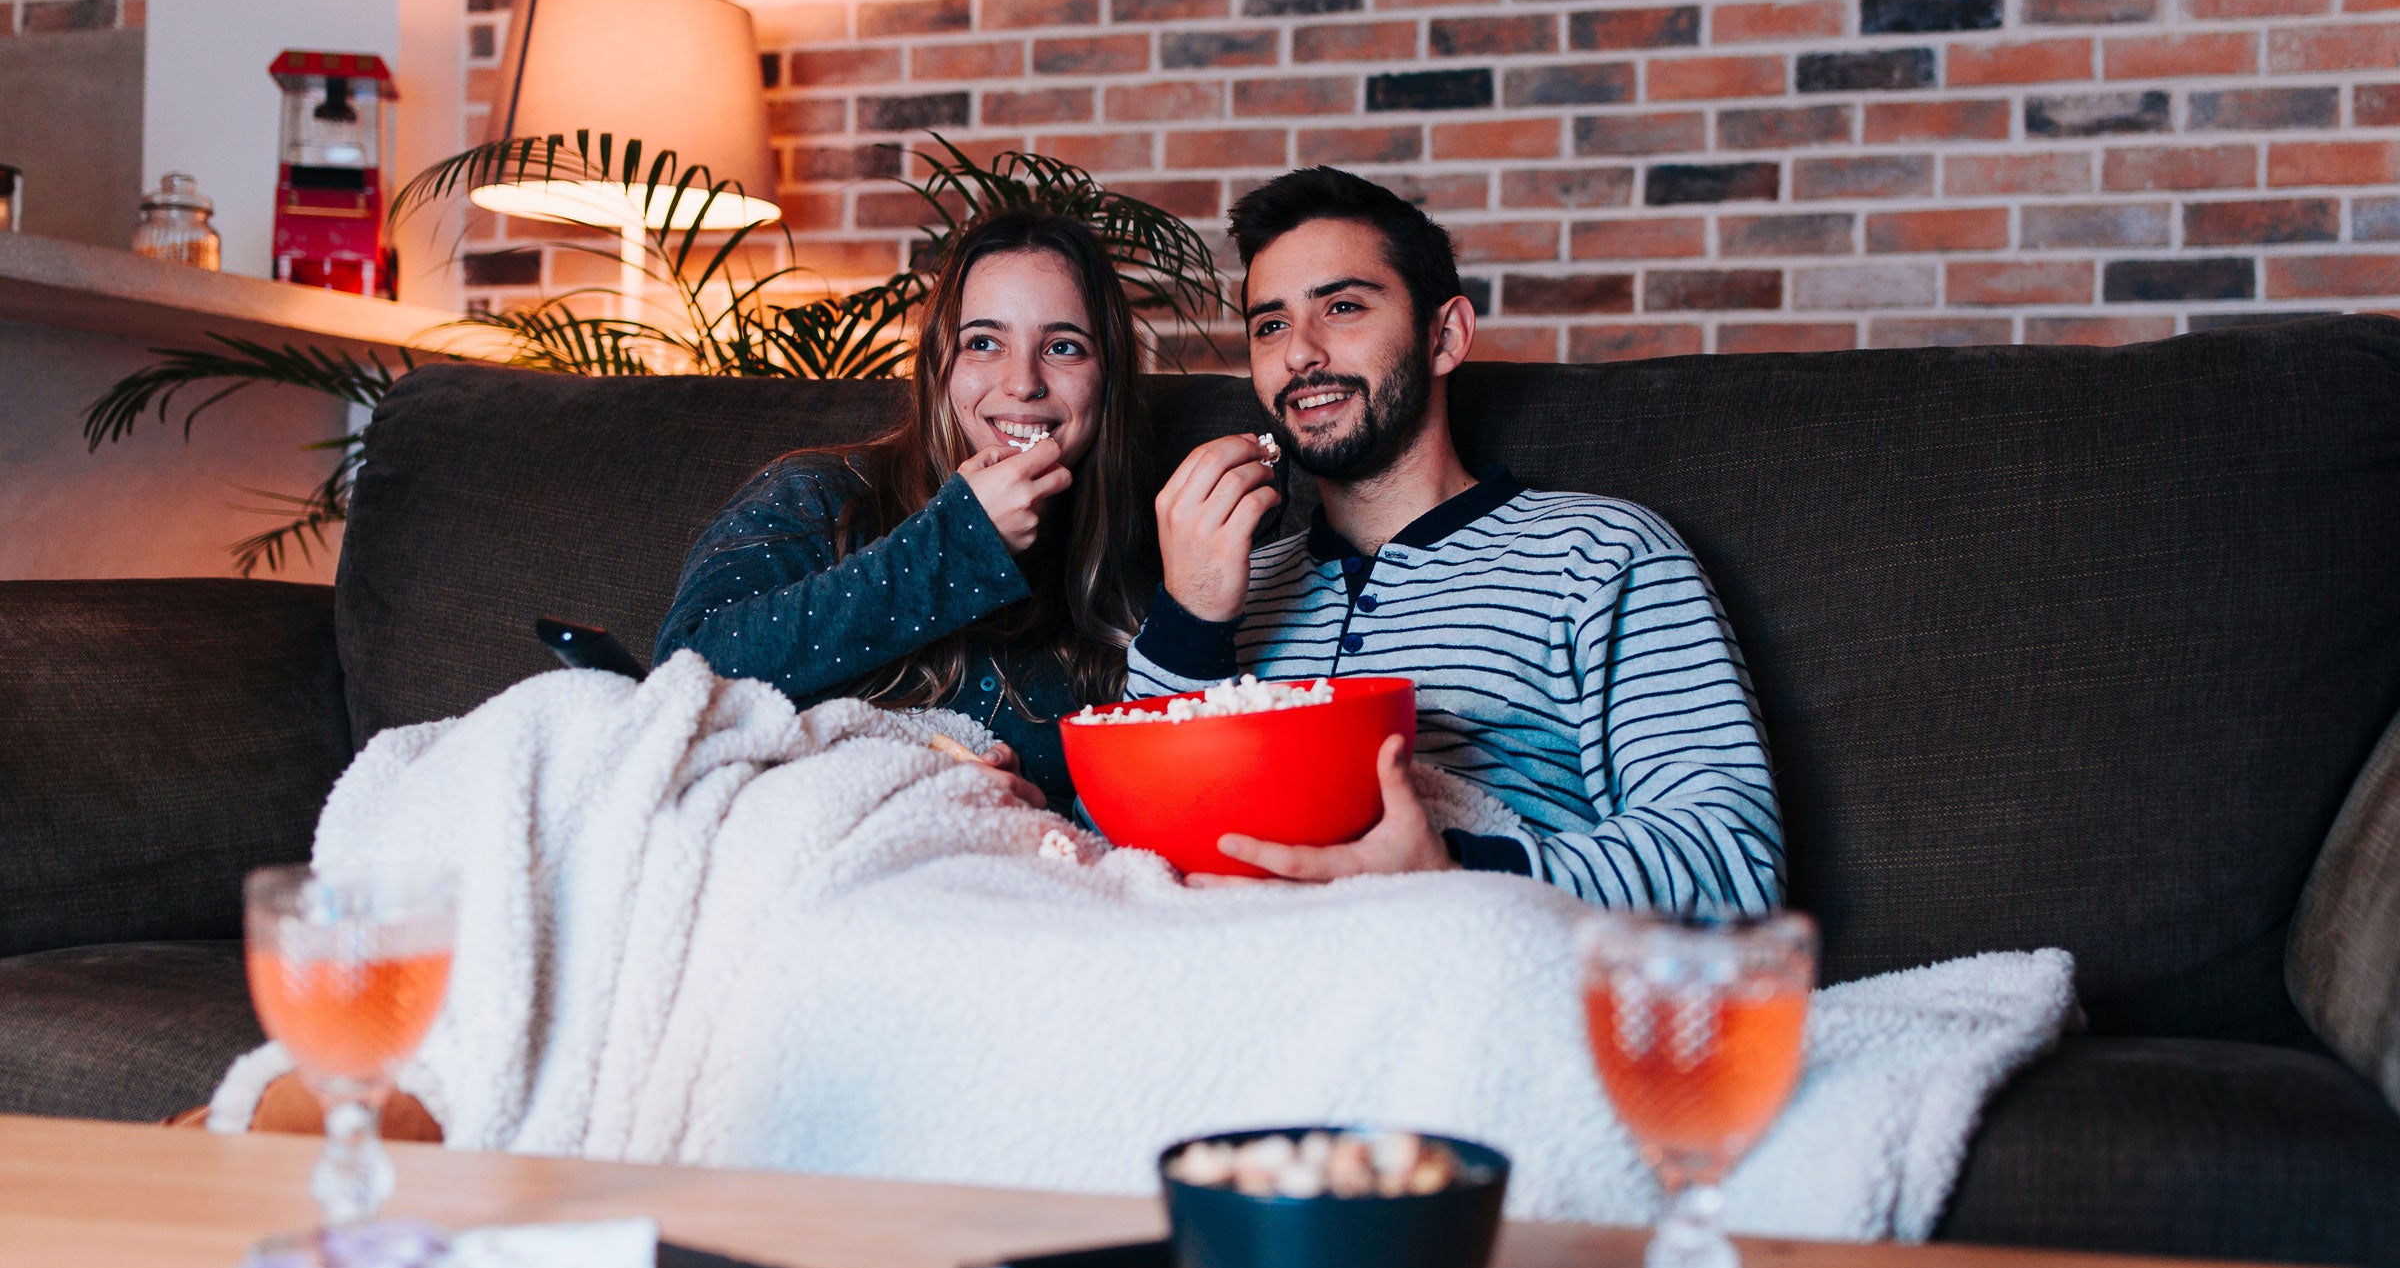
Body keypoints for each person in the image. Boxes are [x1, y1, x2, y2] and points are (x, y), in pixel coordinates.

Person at [1129, 166, 1784, 913]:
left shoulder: (1603, 553)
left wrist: (1449, 870)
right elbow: (1139, 854)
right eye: (1270, 325)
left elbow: (1735, 862)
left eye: (1341, 307)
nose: (1299, 354)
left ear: (1445, 336)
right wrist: (1189, 618)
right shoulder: (1223, 587)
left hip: (1477, 964)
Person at [655, 208, 1150, 808]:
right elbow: (684, 675)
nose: (1023, 383)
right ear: (940, 366)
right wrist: (958, 541)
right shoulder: (819, 495)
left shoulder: (1138, 577)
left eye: (1064, 347)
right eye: (984, 343)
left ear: (1108, 379)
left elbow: (1140, 814)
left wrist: (1032, 802)